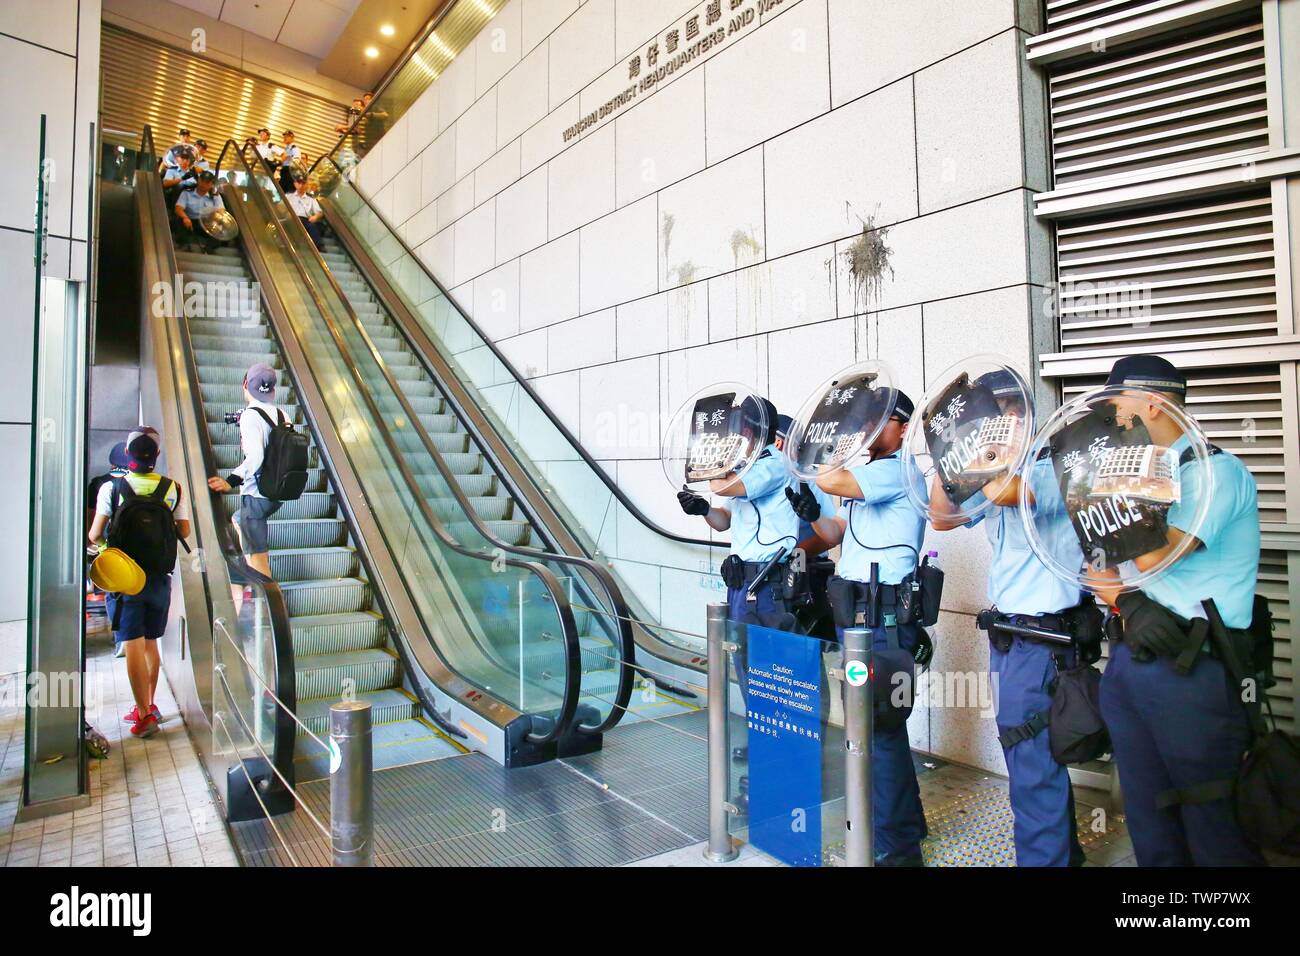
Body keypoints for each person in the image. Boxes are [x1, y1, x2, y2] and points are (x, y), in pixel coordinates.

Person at [1090, 354, 1265, 866]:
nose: (1113, 417)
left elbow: (1155, 552)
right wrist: (1127, 600)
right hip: (1133, 662)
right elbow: (1093, 558)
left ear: (1152, 401)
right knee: (1148, 817)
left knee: (1212, 820)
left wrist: (1117, 485)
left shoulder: (1216, 473)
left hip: (1197, 673)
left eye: (1117, 404)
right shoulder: (1139, 470)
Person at [928, 369, 1096, 866]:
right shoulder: (990, 470)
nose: (994, 423)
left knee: (1031, 756)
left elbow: (1008, 494)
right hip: (1012, 637)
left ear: (1020, 415)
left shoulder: (1050, 464)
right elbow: (942, 516)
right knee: (1031, 755)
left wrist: (972, 458)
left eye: (1000, 412)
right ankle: (1066, 856)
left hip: (1045, 638)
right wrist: (947, 456)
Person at [808, 390, 930, 865]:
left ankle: (897, 851)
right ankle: (908, 827)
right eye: (865, 422)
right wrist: (810, 512)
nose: (868, 431)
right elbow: (837, 531)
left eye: (879, 422)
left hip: (881, 620)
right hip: (859, 618)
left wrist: (824, 443)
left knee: (876, 729)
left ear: (902, 427)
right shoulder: (869, 477)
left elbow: (834, 478)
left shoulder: (894, 470)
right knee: (878, 727)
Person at [87, 428, 190, 739]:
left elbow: (94, 535)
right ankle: (150, 704)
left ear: (127, 455)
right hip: (160, 577)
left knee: (131, 643)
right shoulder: (173, 488)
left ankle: (143, 713)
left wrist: (106, 548)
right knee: (150, 643)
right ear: (155, 457)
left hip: (126, 579)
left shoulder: (112, 489)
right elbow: (183, 531)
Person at [207, 363, 284, 581]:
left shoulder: (251, 416)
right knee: (239, 519)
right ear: (273, 390)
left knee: (256, 560)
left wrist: (230, 481)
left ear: (245, 385)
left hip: (256, 493)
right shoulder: (281, 414)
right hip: (276, 492)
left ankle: (271, 608)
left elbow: (256, 457)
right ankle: (242, 582)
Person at [173, 170, 225, 252]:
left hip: (207, 223)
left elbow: (221, 210)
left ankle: (209, 249)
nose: (203, 185)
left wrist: (215, 219)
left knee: (220, 229)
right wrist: (185, 217)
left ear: (211, 184)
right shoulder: (187, 193)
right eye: (202, 181)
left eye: (207, 183)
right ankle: (183, 245)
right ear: (198, 180)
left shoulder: (215, 196)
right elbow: (178, 208)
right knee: (178, 221)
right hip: (190, 220)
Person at [286, 171, 326, 251]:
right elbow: (279, 208)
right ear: (295, 183)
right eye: (298, 182)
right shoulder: (288, 196)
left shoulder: (311, 199)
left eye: (303, 183)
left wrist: (315, 217)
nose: (300, 185)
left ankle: (319, 245)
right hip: (291, 219)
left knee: (313, 226)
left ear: (306, 185)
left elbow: (319, 212)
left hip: (305, 220)